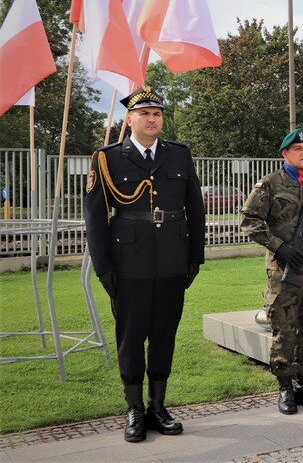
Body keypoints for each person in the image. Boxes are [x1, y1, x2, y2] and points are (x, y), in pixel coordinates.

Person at [84, 86, 205, 443]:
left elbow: (195, 209)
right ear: (130, 119)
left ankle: (158, 406)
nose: (152, 119)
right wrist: (105, 267)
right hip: (129, 262)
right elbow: (94, 217)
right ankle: (134, 408)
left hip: (172, 258)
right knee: (131, 337)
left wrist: (194, 256)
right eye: (144, 114)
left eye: (157, 114)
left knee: (165, 334)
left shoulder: (179, 155)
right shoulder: (107, 158)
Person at [240, 128, 303, 414]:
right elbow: (248, 221)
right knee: (284, 329)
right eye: (298, 149)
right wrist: (279, 246)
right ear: (285, 153)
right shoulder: (270, 184)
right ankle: (285, 387)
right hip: (284, 271)